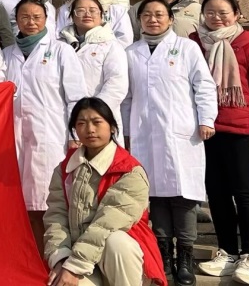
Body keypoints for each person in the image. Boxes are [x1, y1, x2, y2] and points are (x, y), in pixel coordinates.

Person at [124, 0, 218, 285]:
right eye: (146, 15)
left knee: (184, 196)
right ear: (139, 20)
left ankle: (186, 257)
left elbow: (204, 85)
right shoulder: (131, 52)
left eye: (159, 14)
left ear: (170, 19)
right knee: (154, 196)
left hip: (183, 134)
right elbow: (127, 97)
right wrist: (125, 132)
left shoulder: (187, 48)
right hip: (143, 134)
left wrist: (206, 119)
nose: (153, 19)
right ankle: (164, 254)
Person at [191, 0, 249, 283]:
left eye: (223, 13)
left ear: (237, 15)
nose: (216, 18)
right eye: (210, 13)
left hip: (241, 132)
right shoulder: (193, 43)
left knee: (244, 194)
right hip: (205, 131)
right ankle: (227, 252)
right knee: (217, 194)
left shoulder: (248, 44)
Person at [43, 97, 168, 286]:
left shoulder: (129, 170)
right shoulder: (65, 170)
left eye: (97, 122)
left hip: (122, 261)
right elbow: (56, 217)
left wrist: (74, 266)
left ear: (112, 127)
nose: (90, 129)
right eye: (81, 123)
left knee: (115, 241)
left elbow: (106, 225)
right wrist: (61, 259)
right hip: (81, 259)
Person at [6, 0, 89, 251]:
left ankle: (54, 253)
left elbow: (76, 96)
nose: (31, 22)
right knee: (19, 198)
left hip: (50, 134)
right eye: (24, 17)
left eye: (36, 17)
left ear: (46, 20)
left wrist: (75, 134)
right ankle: (27, 252)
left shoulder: (61, 50)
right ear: (16, 20)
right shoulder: (6, 54)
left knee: (48, 198)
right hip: (14, 136)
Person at [59, 0, 129, 113]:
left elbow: (116, 84)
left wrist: (94, 111)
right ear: (72, 16)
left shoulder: (111, 46)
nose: (87, 14)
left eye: (93, 10)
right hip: (60, 115)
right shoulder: (59, 45)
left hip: (100, 115)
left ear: (101, 16)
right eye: (81, 10)